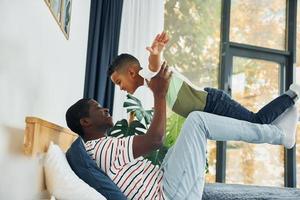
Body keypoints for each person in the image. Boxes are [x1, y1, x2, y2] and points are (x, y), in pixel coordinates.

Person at [66, 65, 299, 199]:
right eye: (98, 108)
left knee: (195, 129)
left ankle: (285, 114)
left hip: (167, 181)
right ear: (85, 122)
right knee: (198, 122)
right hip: (168, 193)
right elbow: (154, 140)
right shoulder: (101, 149)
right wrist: (159, 94)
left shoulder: (99, 148)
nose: (105, 108)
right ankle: (278, 133)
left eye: (119, 82)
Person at [108, 32, 300, 124]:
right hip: (210, 107)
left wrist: (156, 52)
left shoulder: (151, 74)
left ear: (132, 72)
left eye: (119, 82)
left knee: (257, 121)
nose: (121, 88)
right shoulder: (154, 86)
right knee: (256, 123)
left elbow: (154, 64)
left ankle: (293, 94)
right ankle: (287, 110)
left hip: (213, 104)